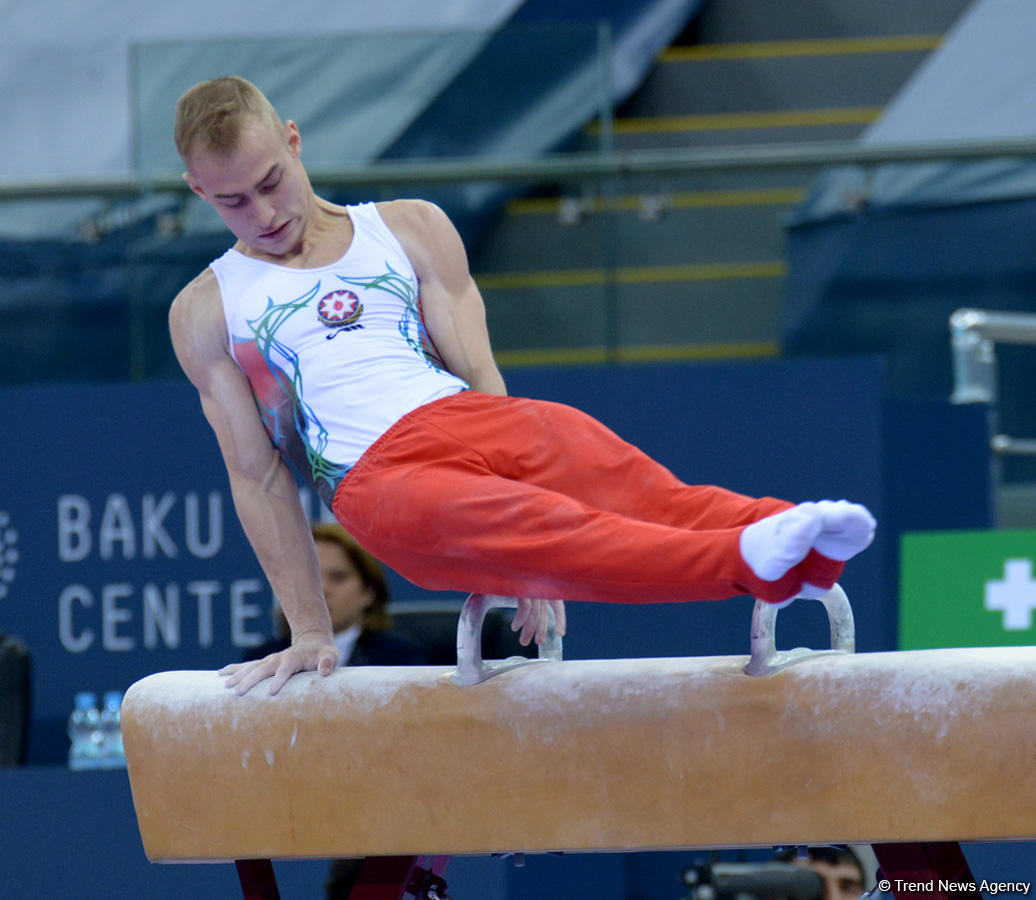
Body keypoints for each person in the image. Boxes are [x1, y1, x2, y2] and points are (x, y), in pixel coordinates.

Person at [169, 75, 876, 697]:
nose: (263, 214)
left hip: (466, 417)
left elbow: (478, 374)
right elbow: (257, 477)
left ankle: (783, 533)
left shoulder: (408, 227)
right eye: (232, 201)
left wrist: (518, 555)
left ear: (294, 142)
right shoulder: (208, 309)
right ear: (199, 191)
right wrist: (310, 630)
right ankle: (746, 562)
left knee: (634, 486)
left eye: (270, 182)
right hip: (379, 482)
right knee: (563, 534)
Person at [246, 522, 427, 667]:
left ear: (368, 592)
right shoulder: (263, 660)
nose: (322, 589)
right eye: (310, 579)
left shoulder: (400, 660)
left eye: (338, 577)